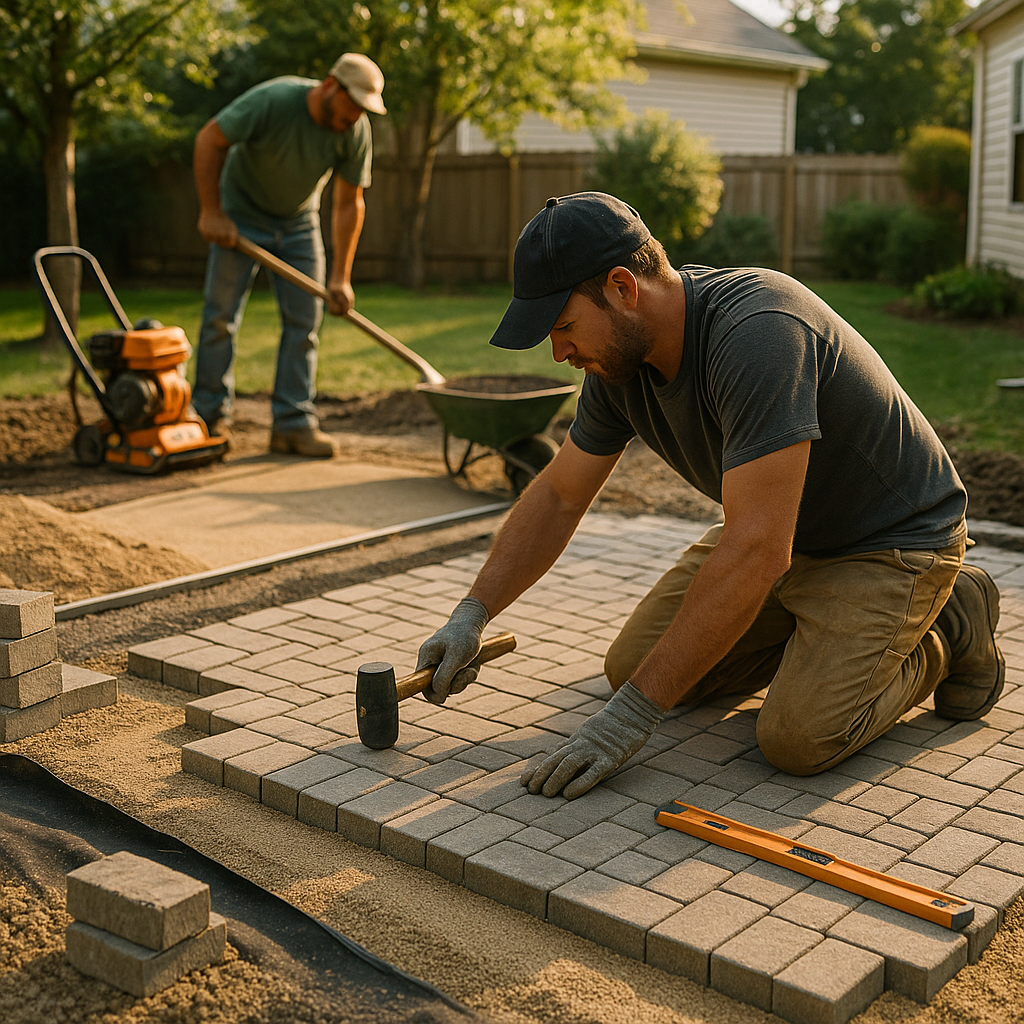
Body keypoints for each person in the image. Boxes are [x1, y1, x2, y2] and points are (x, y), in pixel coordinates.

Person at [414, 191, 1005, 801]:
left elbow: (757, 549)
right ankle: (821, 637)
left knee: (798, 739)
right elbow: (560, 496)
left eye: (563, 327)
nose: (559, 353)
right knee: (631, 669)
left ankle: (946, 623)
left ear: (622, 287)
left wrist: (628, 723)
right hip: (780, 534)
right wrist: (472, 613)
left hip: (890, 542)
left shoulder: (759, 333)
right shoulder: (618, 366)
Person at [191, 53, 386, 457]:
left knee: (304, 323)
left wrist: (340, 277)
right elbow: (210, 138)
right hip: (240, 215)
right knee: (220, 318)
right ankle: (207, 418)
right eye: (353, 104)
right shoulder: (275, 100)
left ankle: (292, 424)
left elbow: (349, 203)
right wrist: (212, 212)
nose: (355, 116)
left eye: (363, 110)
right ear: (330, 84)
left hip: (298, 223)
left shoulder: (354, 131)